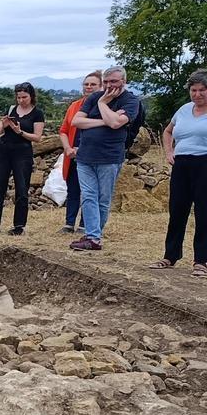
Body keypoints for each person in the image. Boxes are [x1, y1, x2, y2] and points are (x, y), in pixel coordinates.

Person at [69, 66, 141, 251]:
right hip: (85, 156)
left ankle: (94, 236)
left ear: (123, 81)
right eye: (107, 82)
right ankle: (93, 236)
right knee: (88, 196)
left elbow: (117, 122)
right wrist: (104, 120)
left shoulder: (131, 101)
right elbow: (76, 121)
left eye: (114, 81)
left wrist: (102, 104)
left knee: (102, 198)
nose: (109, 85)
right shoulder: (93, 97)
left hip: (109, 157)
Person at [150, 69, 207, 276]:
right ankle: (170, 255)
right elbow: (167, 131)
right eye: (194, 90)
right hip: (181, 164)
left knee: (203, 212)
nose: (198, 94)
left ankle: (202, 260)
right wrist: (169, 150)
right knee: (177, 210)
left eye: (202, 90)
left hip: (204, 163)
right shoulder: (183, 110)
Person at [0, 82, 45, 235]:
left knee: (21, 189)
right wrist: (4, 124)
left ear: (31, 96)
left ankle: (19, 226)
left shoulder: (37, 113)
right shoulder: (11, 109)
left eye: (24, 97)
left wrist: (19, 132)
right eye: (18, 97)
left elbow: (37, 137)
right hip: (4, 152)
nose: (21, 100)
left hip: (23, 153)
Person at [57, 71, 103, 233]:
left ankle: (85, 224)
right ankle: (69, 223)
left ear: (101, 86)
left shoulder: (104, 107)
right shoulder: (74, 106)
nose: (89, 87)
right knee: (73, 190)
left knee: (90, 191)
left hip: (93, 156)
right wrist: (68, 148)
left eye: (93, 84)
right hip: (72, 156)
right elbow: (63, 130)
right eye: (86, 84)